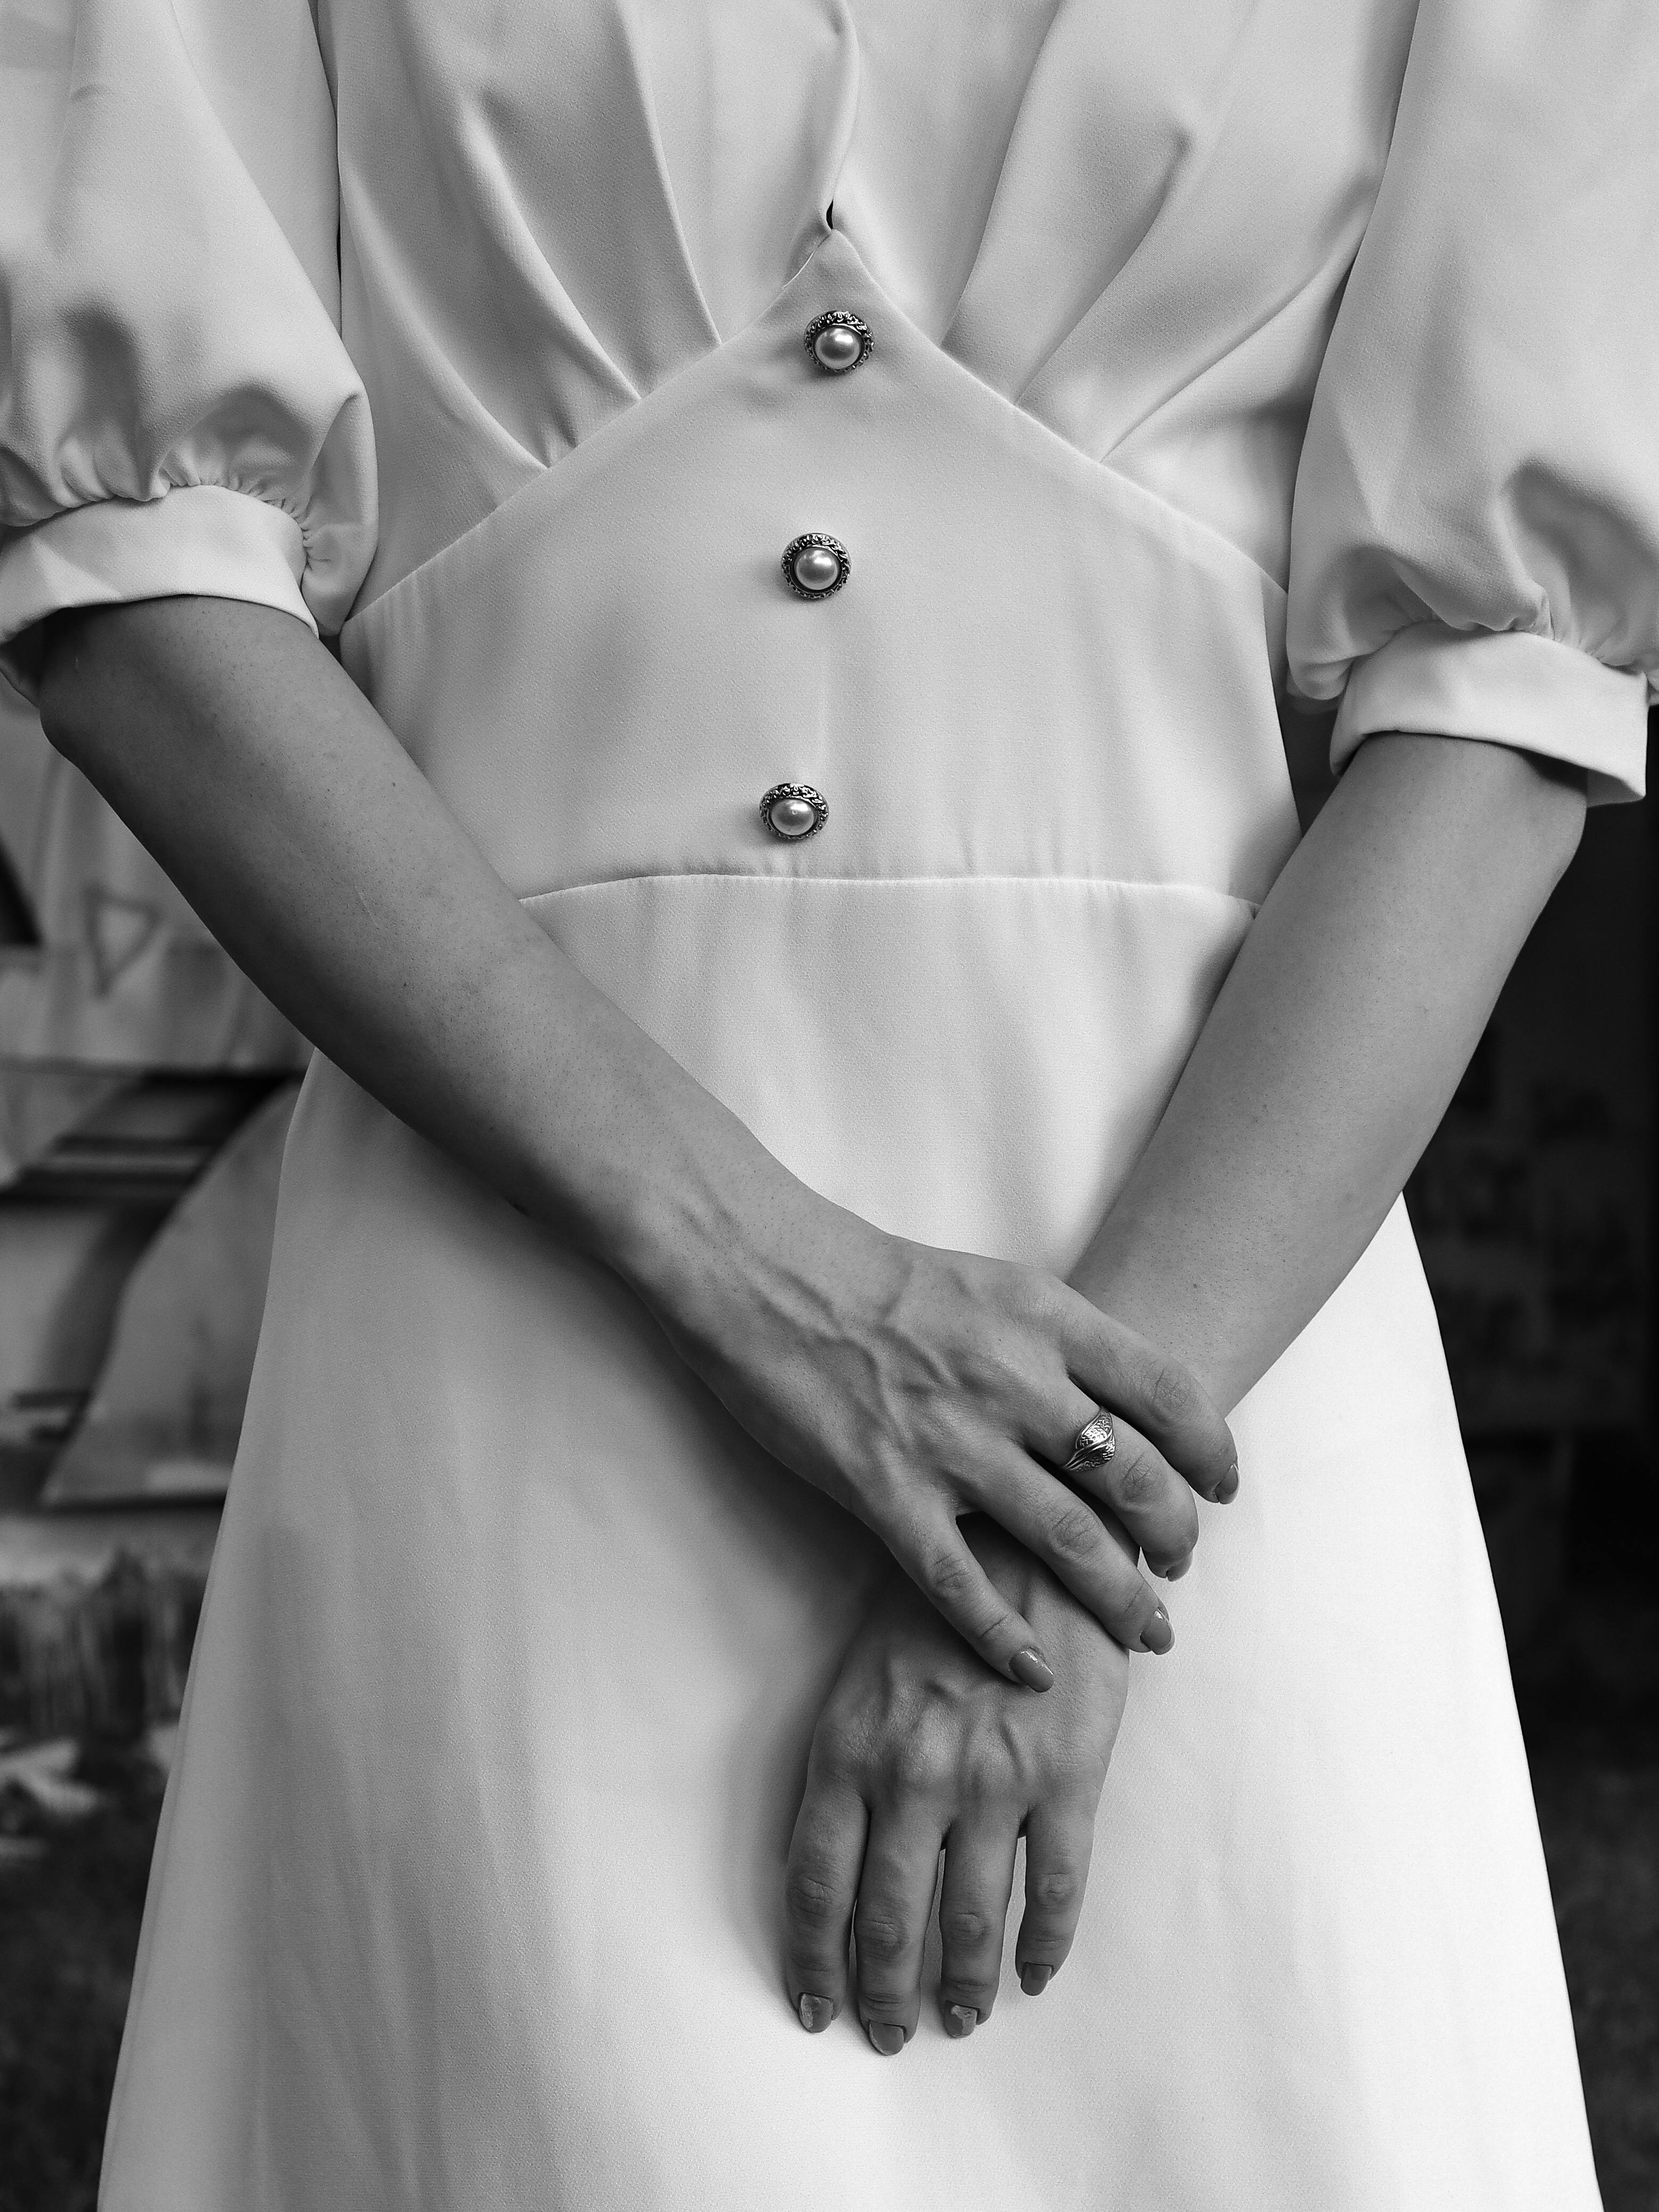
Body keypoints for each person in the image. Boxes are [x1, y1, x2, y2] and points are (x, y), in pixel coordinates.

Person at [3, 0, 1652, 2202]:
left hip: (1198, 1377)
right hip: (516, 1354)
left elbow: (1501, 720)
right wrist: (776, 1285)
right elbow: (129, 590)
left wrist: (1065, 1531)